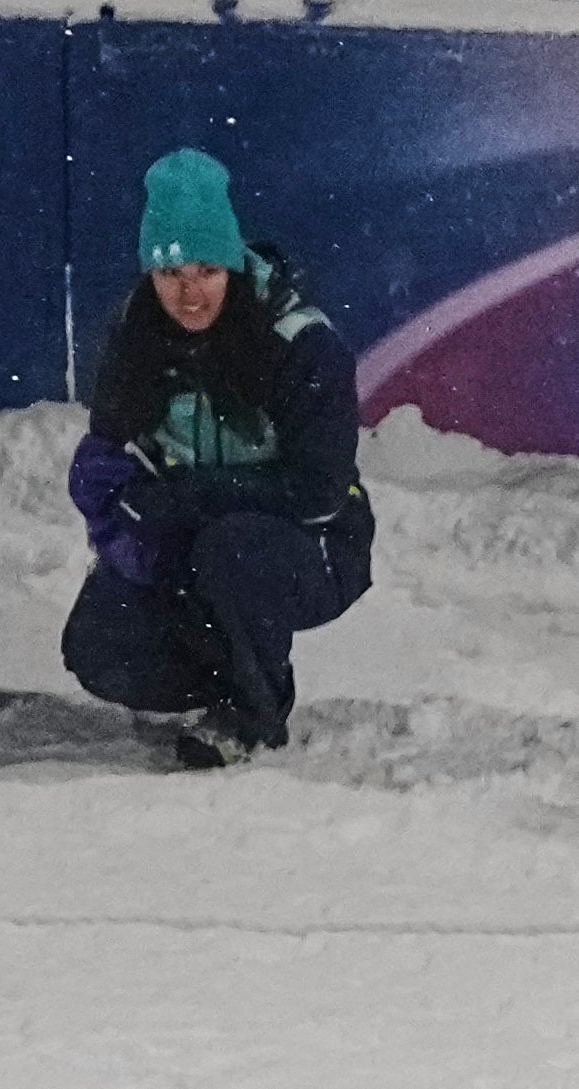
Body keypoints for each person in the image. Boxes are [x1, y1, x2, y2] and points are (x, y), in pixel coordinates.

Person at [61, 154, 366, 764]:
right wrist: (113, 505)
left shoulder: (301, 343)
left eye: (207, 270)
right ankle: (231, 669)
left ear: (232, 264)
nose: (189, 291)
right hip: (194, 535)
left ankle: (253, 714)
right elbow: (107, 450)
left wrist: (194, 498)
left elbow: (319, 490)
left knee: (234, 549)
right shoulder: (136, 331)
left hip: (314, 545)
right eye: (170, 272)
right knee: (97, 647)